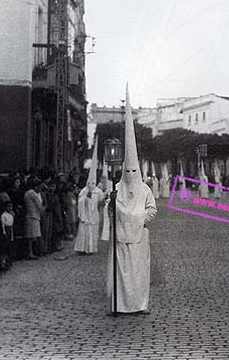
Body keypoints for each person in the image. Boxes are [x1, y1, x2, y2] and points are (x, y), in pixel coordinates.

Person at [103, 84, 157, 315]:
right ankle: (121, 305)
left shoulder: (144, 189)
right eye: (128, 172)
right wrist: (112, 205)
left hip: (139, 238)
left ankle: (140, 304)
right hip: (121, 239)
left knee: (138, 272)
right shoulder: (116, 188)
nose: (131, 176)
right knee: (121, 272)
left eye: (135, 172)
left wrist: (136, 218)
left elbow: (153, 210)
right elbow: (109, 210)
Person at [75, 144, 104, 255]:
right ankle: (81, 248)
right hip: (85, 215)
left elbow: (101, 202)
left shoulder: (98, 191)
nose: (91, 185)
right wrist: (86, 199)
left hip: (94, 214)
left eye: (93, 183)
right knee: (83, 232)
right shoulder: (84, 190)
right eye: (89, 183)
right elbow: (80, 200)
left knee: (93, 232)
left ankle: (91, 249)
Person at [23, 178, 45, 260]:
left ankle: (32, 252)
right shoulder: (33, 194)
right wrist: (44, 208)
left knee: (32, 236)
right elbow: (39, 205)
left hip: (31, 215)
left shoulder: (27, 193)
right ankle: (31, 253)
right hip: (33, 215)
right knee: (31, 237)